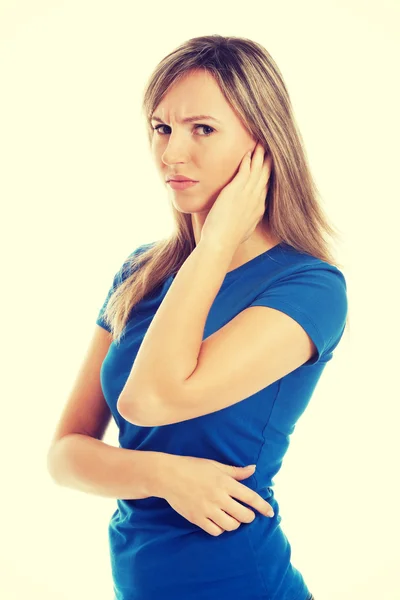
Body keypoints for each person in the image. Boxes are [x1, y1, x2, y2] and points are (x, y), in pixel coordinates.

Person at [49, 35, 348, 600]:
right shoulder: (141, 272)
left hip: (241, 582)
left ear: (263, 144)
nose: (171, 153)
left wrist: (215, 244)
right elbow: (66, 452)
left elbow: (148, 399)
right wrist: (165, 475)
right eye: (162, 128)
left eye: (202, 129)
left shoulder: (309, 288)